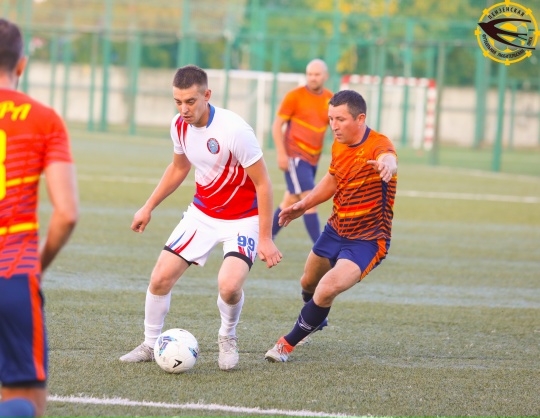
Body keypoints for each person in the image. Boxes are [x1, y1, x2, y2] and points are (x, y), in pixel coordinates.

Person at [120, 65, 282, 371]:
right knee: (160, 278)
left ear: (207, 95)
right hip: (202, 214)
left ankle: (227, 335)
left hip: (243, 218)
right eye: (178, 102)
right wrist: (148, 206)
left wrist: (265, 237)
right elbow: (179, 168)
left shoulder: (235, 130)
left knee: (229, 287)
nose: (184, 109)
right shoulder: (179, 126)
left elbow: (263, 183)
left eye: (190, 101)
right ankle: (150, 344)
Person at [264, 90, 397, 363]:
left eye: (340, 119)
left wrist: (387, 166)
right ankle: (316, 318)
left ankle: (285, 345)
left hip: (368, 240)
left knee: (326, 288)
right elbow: (333, 178)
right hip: (335, 230)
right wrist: (303, 205)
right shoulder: (339, 143)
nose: (334, 126)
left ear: (360, 119)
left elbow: (389, 158)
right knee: (308, 283)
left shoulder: (378, 144)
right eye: (331, 119)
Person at [0, 18, 79, 418]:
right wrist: (38, 265)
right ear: (22, 64)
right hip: (12, 272)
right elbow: (66, 214)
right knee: (26, 401)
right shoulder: (43, 119)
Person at [271, 58, 333, 244]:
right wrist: (281, 153)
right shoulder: (294, 96)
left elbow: (336, 128)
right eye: (310, 74)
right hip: (295, 157)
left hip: (313, 159)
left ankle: (266, 237)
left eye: (317, 74)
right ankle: (320, 248)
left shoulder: (330, 99)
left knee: (290, 200)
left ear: (325, 76)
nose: (313, 78)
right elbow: (277, 125)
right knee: (309, 200)